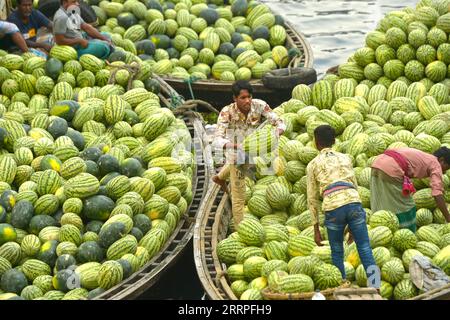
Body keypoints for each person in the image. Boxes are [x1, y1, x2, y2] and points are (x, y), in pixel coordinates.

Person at [307, 125, 379, 287]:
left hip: (333, 207)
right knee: (365, 248)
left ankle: (341, 287)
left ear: (316, 143)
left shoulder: (313, 164)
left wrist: (316, 228)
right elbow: (354, 184)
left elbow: (312, 198)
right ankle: (376, 287)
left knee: (337, 251)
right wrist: (356, 214)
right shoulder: (345, 158)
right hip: (353, 202)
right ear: (333, 141)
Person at [212, 80, 286, 227]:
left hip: (253, 148)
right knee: (239, 196)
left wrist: (276, 133)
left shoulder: (259, 105)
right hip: (235, 153)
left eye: (249, 97)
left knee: (246, 157)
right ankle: (241, 230)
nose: (247, 100)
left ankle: (219, 178)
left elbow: (280, 121)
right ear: (235, 98)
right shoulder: (226, 112)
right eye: (242, 98)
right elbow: (216, 141)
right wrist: (235, 145)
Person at [371, 147, 450, 232]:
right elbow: (437, 194)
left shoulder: (425, 156)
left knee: (380, 199)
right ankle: (406, 231)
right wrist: (448, 217)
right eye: (447, 168)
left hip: (377, 163)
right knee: (407, 205)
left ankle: (378, 227)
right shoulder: (436, 164)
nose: (444, 172)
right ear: (441, 160)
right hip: (392, 169)